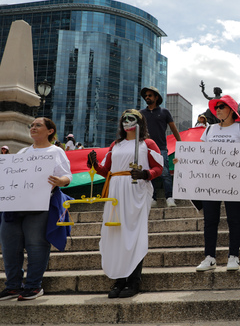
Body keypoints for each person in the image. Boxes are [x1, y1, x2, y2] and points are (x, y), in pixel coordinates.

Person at [87, 110, 163, 298]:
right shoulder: (116, 144)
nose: (127, 122)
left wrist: (146, 174)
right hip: (115, 191)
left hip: (136, 190)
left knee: (133, 234)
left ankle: (134, 280)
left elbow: (159, 168)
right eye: (124, 119)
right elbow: (107, 171)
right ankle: (119, 280)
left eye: (132, 119)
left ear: (140, 122)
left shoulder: (148, 143)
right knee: (115, 234)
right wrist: (94, 164)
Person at [0, 117, 72, 301]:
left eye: (38, 125)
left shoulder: (56, 151)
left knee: (36, 244)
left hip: (39, 206)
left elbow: (66, 177)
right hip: (14, 207)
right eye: (31, 125)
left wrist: (59, 181)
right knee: (10, 246)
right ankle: (13, 286)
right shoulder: (23, 152)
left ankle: (33, 285)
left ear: (50, 131)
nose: (33, 128)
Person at [194, 95, 240, 272]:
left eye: (221, 106)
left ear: (231, 110)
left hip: (234, 180)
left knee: (234, 219)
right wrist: (184, 161)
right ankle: (209, 257)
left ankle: (233, 256)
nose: (217, 109)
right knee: (210, 219)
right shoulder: (209, 130)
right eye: (216, 107)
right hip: (211, 180)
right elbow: (201, 154)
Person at [140, 86, 182, 208]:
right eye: (146, 96)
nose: (147, 97)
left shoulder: (165, 112)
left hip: (161, 148)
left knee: (165, 174)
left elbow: (174, 129)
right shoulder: (141, 114)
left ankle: (169, 197)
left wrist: (181, 144)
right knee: (149, 173)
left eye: (150, 95)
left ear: (156, 97)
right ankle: (152, 198)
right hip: (145, 148)